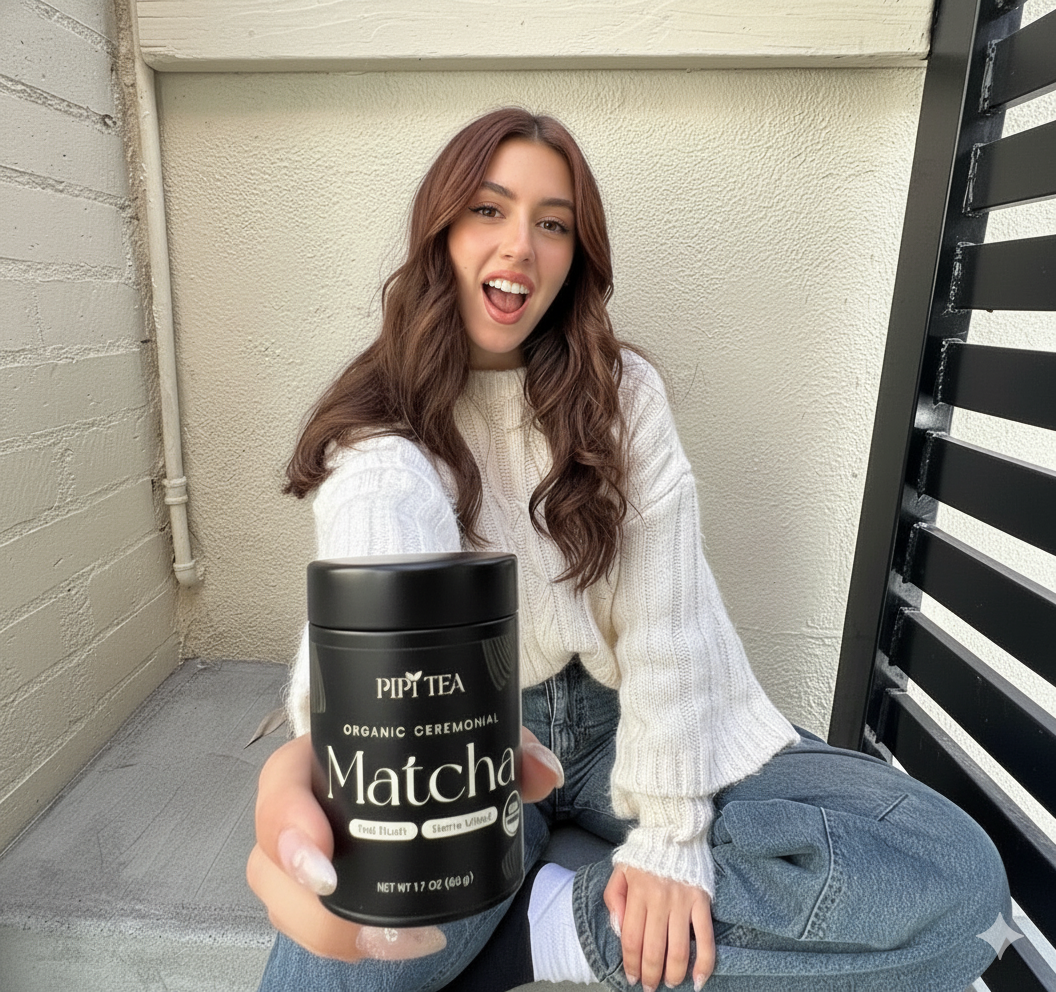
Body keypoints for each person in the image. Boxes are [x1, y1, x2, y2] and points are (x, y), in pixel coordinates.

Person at [248, 107, 1010, 992]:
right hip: (483, 732)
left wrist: (672, 837)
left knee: (957, 879)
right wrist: (357, 716)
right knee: (354, 937)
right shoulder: (382, 424)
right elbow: (382, 539)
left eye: (553, 223)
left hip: (638, 717)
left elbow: (666, 630)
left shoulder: (621, 395)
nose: (520, 246)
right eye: (488, 211)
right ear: (440, 233)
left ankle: (551, 933)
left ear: (576, 256)